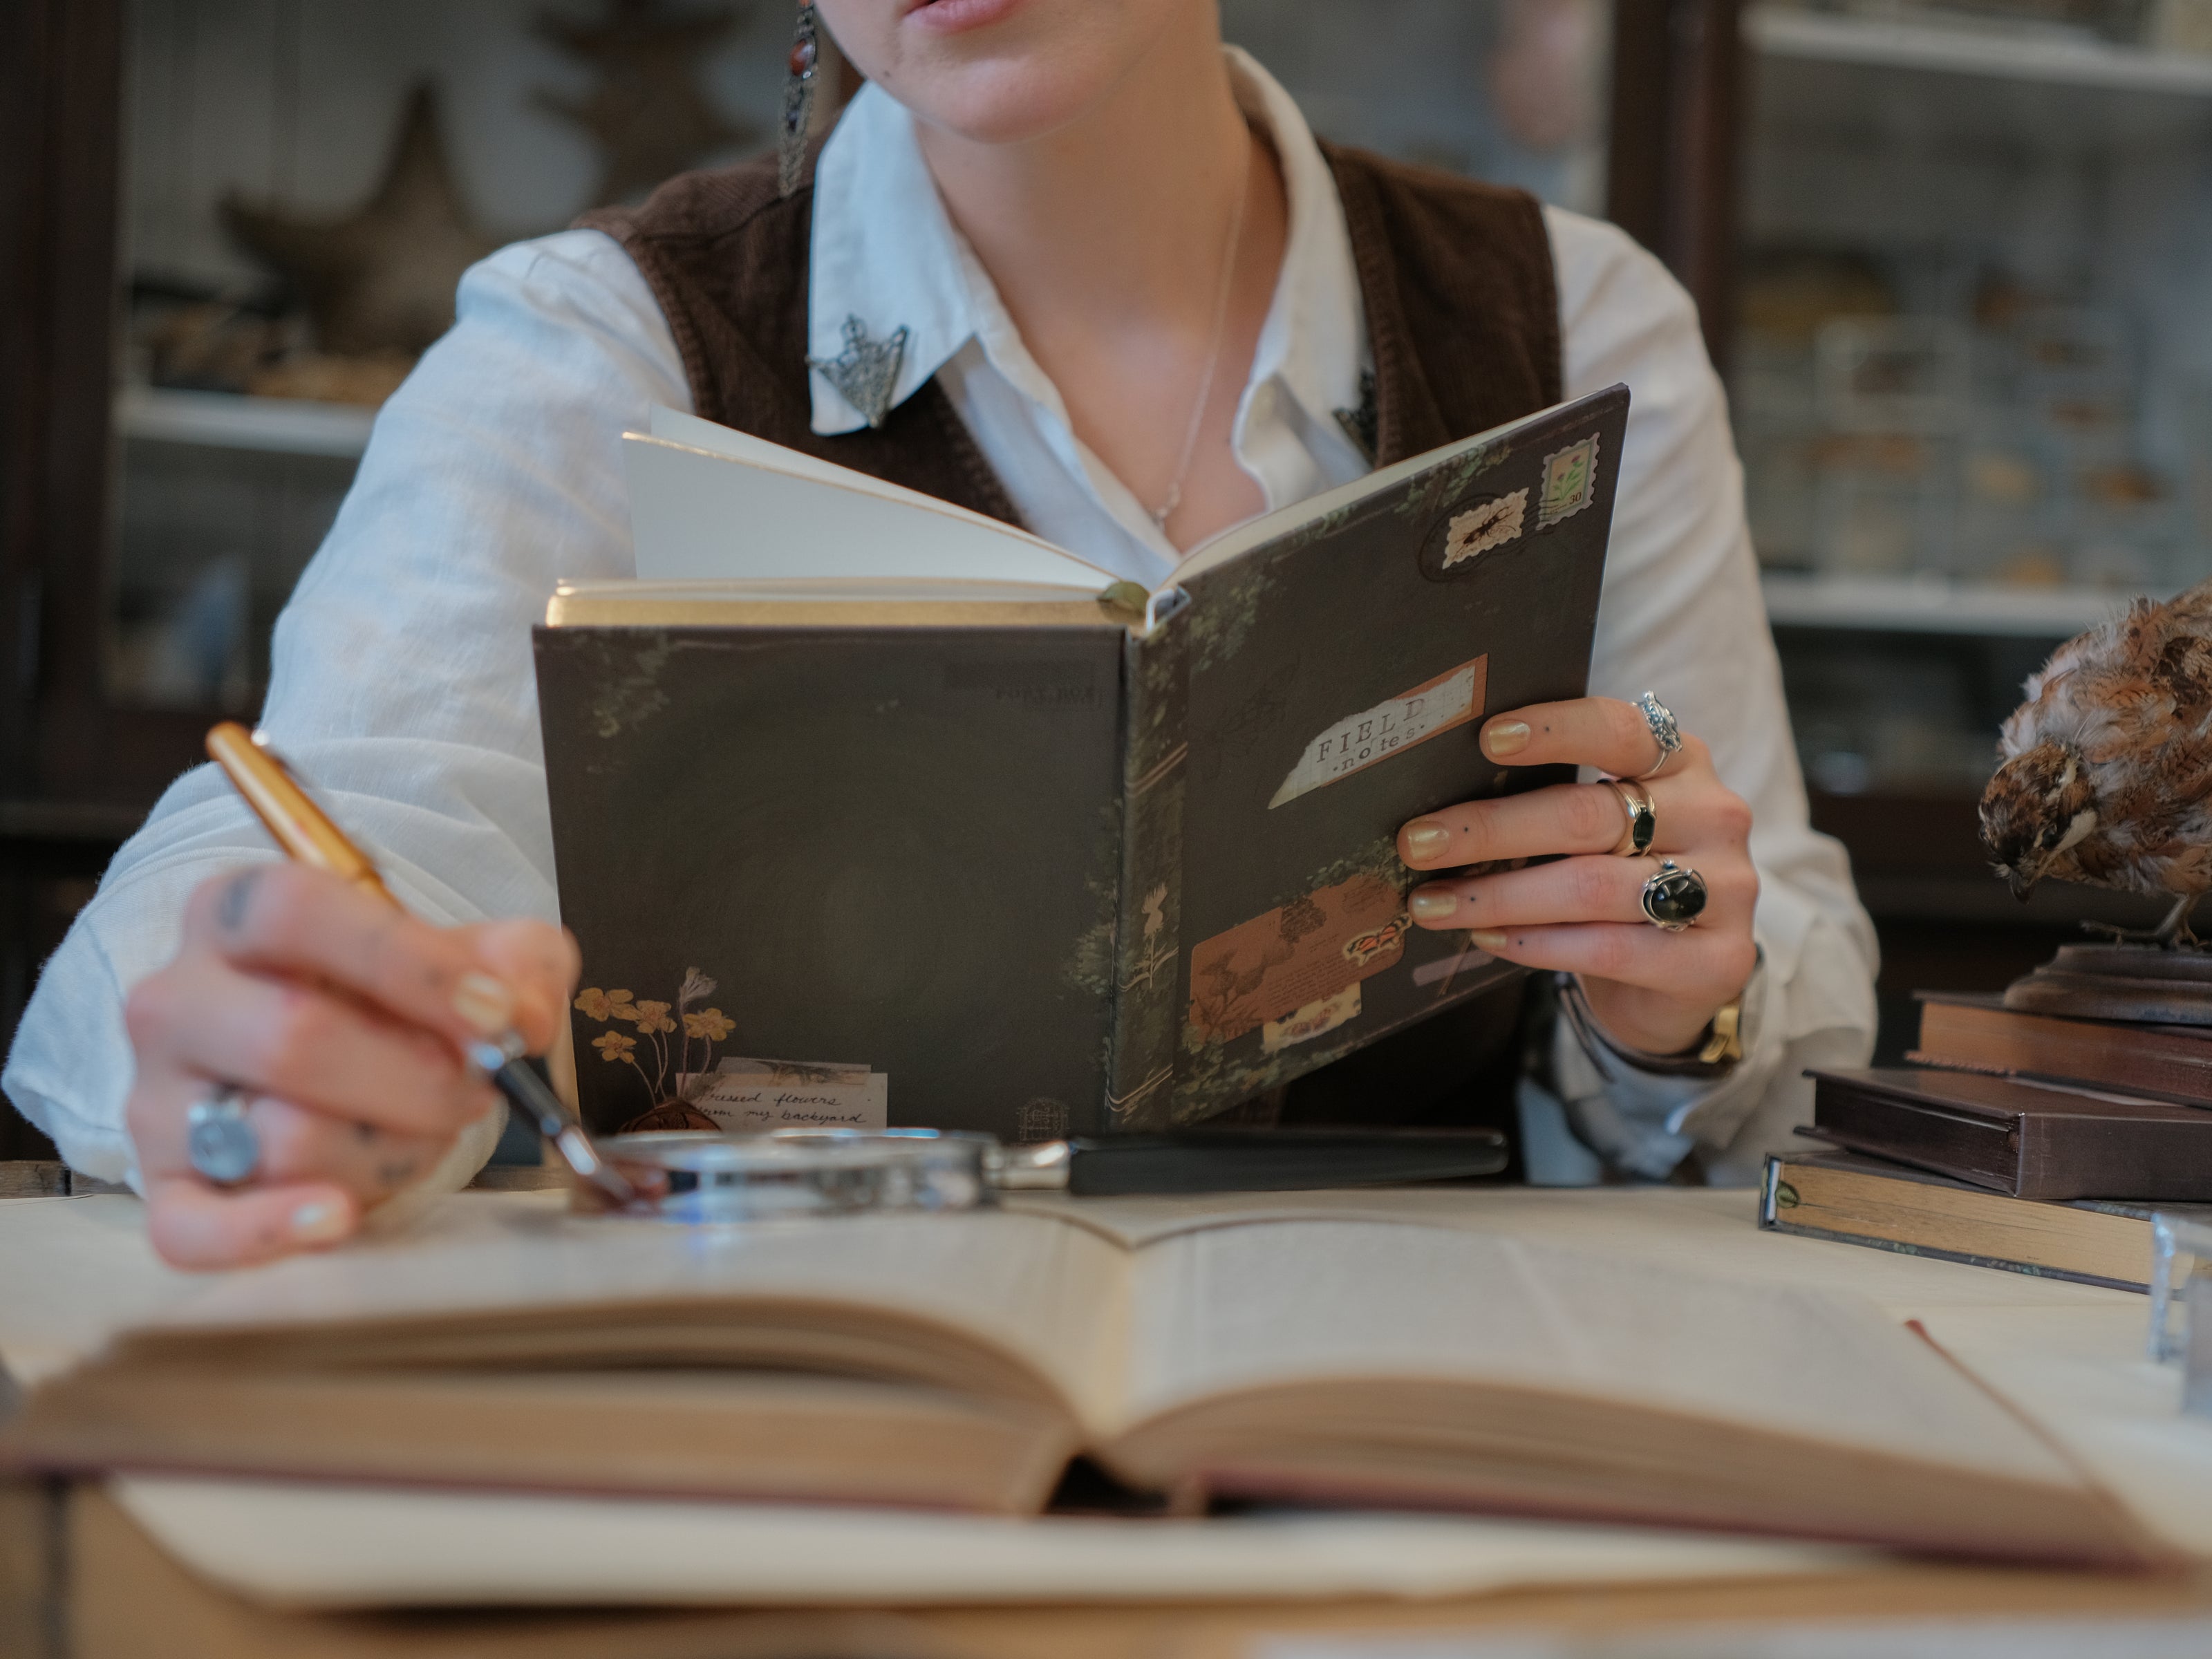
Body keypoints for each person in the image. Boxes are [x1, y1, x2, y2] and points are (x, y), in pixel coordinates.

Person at [5, 0, 1875, 1268]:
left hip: (1406, 1462)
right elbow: (323, 838)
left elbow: (1778, 1023)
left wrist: (1676, 999)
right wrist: (260, 1025)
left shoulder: (1572, 326)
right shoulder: (599, 348)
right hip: (799, 1465)